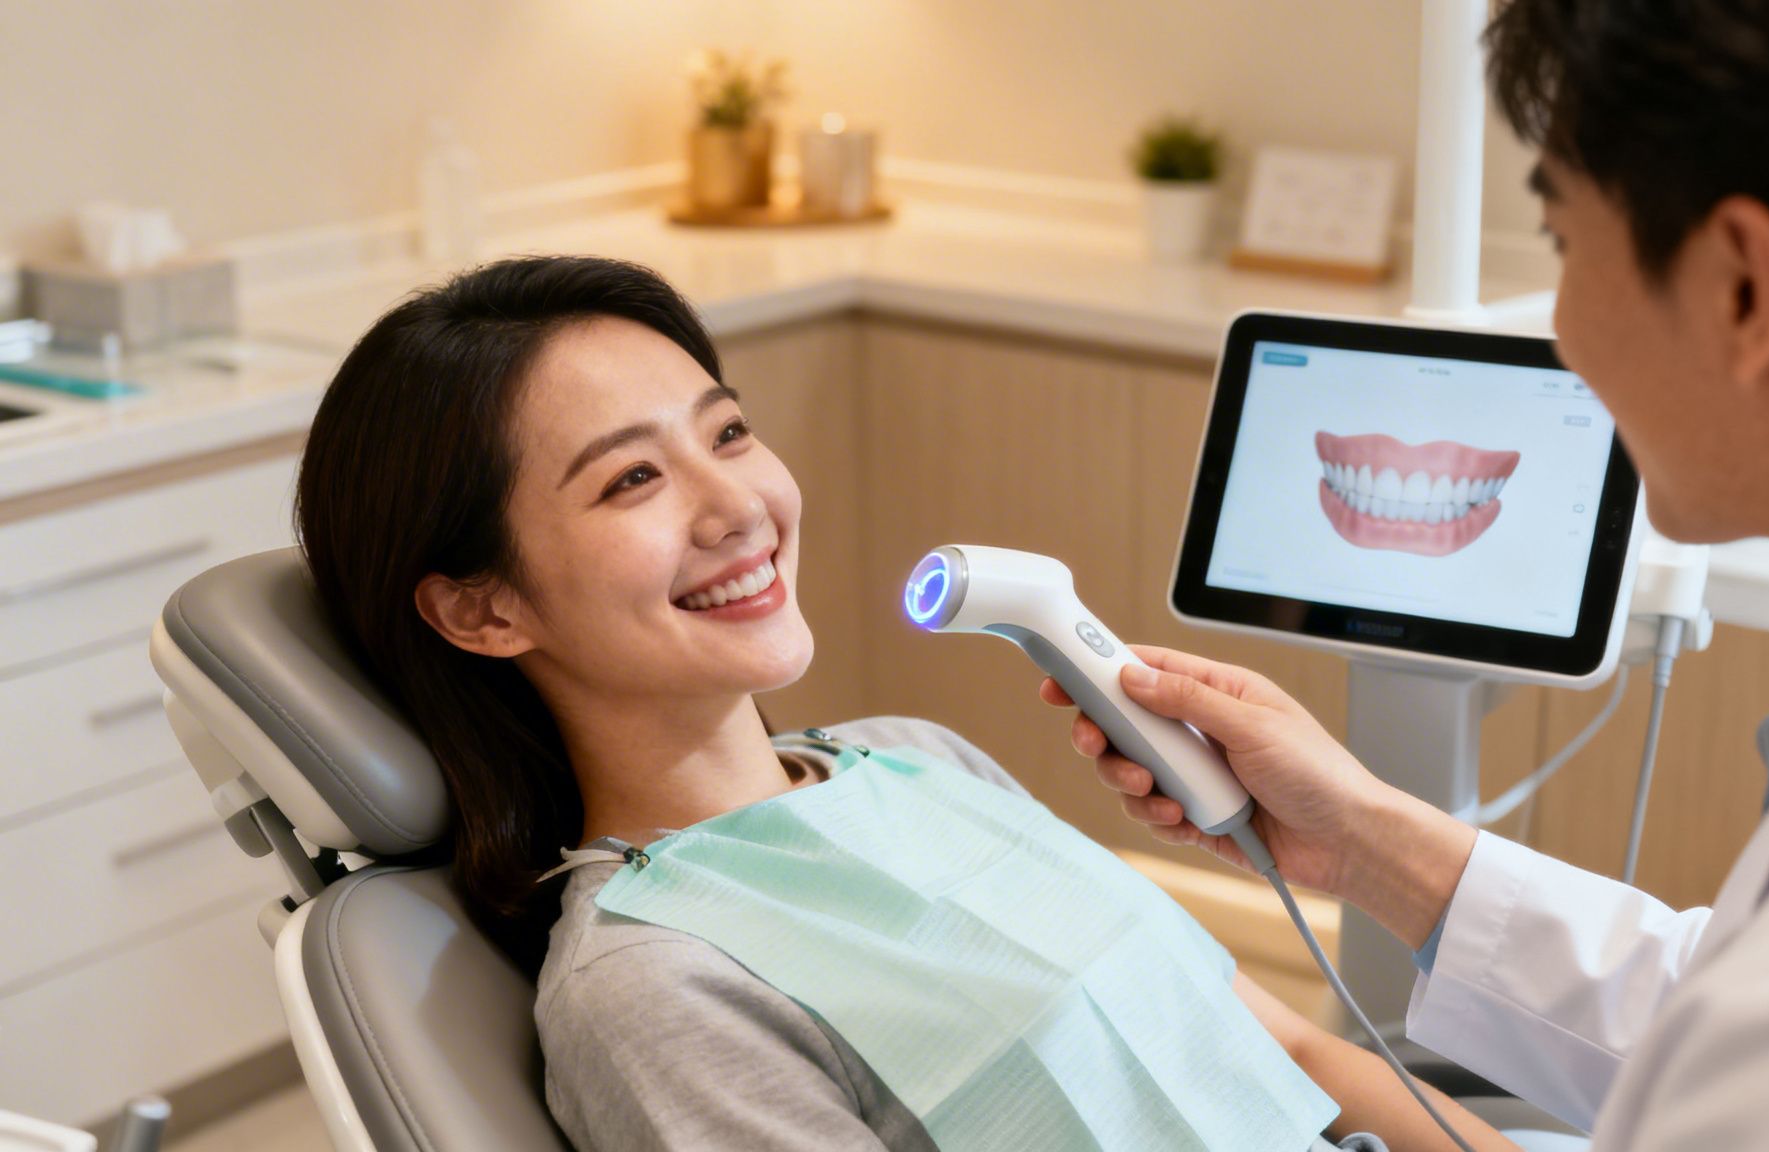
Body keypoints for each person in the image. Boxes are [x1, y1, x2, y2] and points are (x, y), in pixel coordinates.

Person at [1047, 1, 1769, 1148]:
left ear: (1742, 289)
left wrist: (1308, 1058)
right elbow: (1718, 1016)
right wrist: (1365, 838)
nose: (1562, 335)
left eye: (1566, 245)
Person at [292, 255, 1527, 1151]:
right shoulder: (651, 993)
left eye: (727, 433)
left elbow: (1299, 1055)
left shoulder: (915, 759)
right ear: (481, 611)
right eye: (630, 480)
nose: (735, 509)